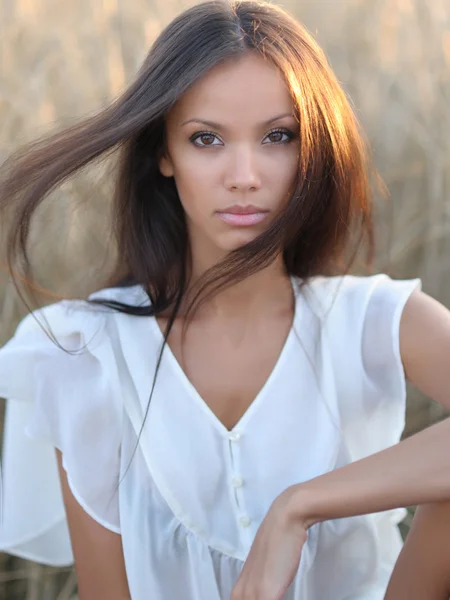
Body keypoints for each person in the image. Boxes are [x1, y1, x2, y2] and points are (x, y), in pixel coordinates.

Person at [1, 0, 450, 598]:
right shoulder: (84, 354)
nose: (244, 174)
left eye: (277, 137)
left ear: (311, 149)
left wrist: (299, 506)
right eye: (206, 139)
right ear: (163, 153)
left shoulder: (375, 323)